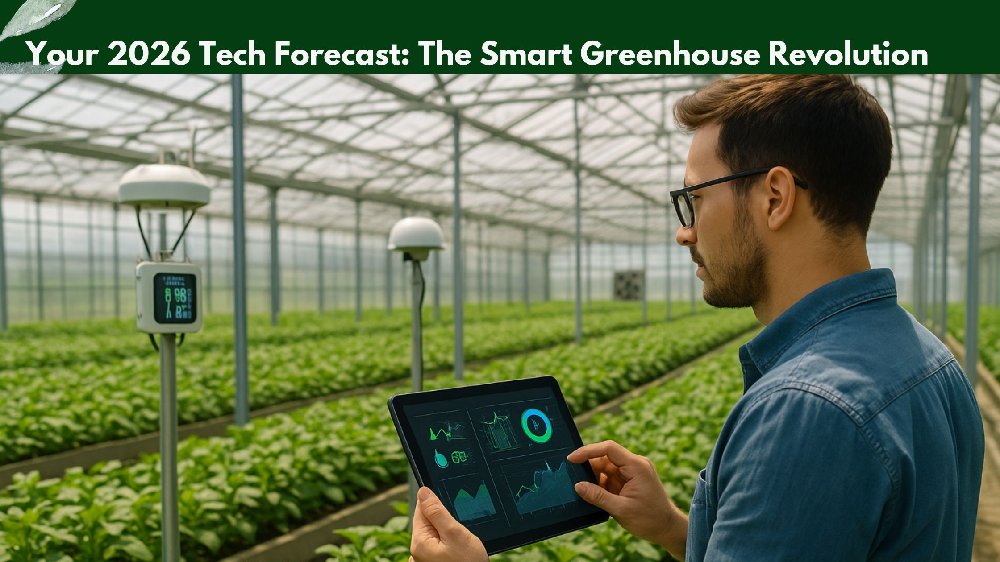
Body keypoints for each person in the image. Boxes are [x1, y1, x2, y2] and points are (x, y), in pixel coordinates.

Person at [408, 74, 985, 562]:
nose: (684, 230)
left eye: (695, 199)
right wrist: (672, 527)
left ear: (775, 196)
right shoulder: (929, 358)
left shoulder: (808, 409)